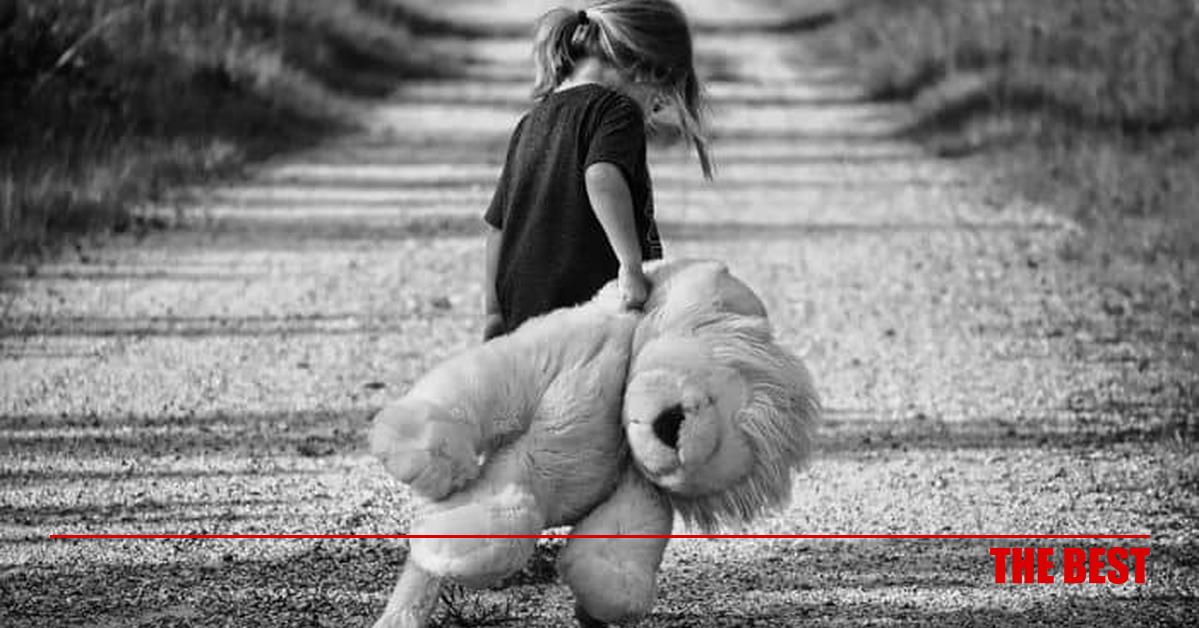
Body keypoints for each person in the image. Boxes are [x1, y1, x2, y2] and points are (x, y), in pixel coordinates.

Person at [482, 0, 713, 340]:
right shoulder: (617, 110)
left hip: (523, 309)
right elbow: (602, 176)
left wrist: (494, 311)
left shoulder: (531, 121)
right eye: (659, 101)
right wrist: (630, 267)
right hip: (589, 304)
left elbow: (498, 227)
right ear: (646, 68)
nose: (652, 113)